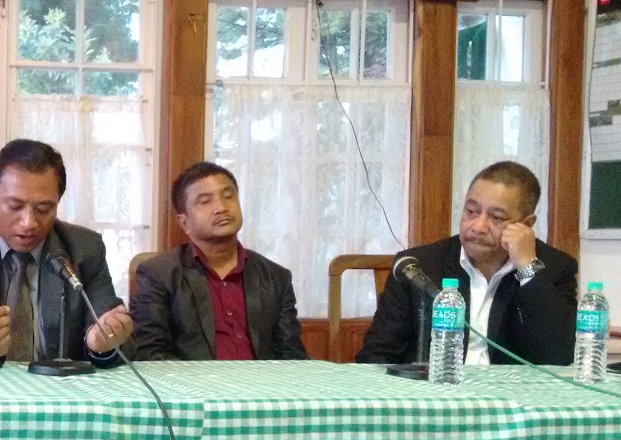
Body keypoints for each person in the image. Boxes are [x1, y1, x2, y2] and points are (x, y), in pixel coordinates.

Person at [0, 138, 133, 367]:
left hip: (60, 394)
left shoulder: (84, 249)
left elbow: (119, 334)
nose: (28, 223)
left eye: (43, 209)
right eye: (15, 206)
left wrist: (102, 344)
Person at [357, 160, 577, 365]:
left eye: (496, 218)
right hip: (435, 394)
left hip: (512, 399)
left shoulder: (556, 268)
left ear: (526, 225)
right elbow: (376, 356)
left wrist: (528, 269)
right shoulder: (418, 267)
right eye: (471, 211)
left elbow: (559, 358)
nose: (478, 226)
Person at [131, 162, 307, 361]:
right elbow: (151, 353)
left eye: (228, 196)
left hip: (261, 388)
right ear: (184, 222)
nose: (221, 208)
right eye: (205, 201)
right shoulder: (158, 274)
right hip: (191, 389)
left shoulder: (276, 277)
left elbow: (291, 356)